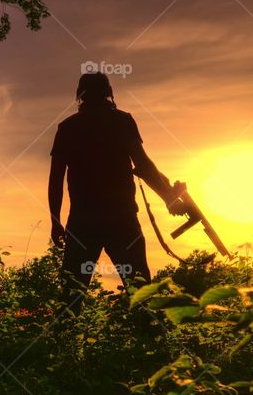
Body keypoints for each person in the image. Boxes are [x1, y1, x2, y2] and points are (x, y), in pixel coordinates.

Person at [48, 72, 186, 291]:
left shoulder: (68, 127)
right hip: (122, 218)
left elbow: (56, 179)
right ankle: (145, 325)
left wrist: (56, 221)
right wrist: (168, 197)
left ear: (80, 96)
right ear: (108, 94)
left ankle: (67, 325)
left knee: (71, 292)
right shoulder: (121, 121)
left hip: (83, 220)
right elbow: (144, 166)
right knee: (140, 291)